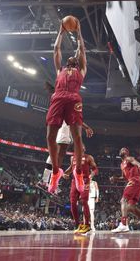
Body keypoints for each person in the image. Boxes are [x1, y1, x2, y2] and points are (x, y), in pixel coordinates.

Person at [46, 19, 87, 194]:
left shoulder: (82, 70)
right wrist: (61, 31)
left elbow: (82, 49)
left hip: (73, 99)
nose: (71, 57)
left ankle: (78, 173)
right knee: (50, 137)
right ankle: (56, 172)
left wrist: (79, 33)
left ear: (76, 61)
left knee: (77, 138)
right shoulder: (59, 70)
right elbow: (56, 49)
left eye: (74, 57)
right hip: (58, 97)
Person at [109, 147, 140, 233]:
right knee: (130, 207)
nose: (122, 150)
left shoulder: (129, 158)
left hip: (135, 181)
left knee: (123, 200)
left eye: (124, 150)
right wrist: (115, 178)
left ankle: (124, 224)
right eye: (121, 149)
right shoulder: (122, 165)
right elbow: (124, 178)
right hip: (137, 184)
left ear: (127, 153)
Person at [63, 147, 98, 235]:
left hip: (85, 181)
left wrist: (91, 175)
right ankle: (77, 224)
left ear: (84, 149)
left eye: (81, 146)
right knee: (72, 202)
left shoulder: (88, 157)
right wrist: (65, 173)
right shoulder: (72, 158)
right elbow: (71, 168)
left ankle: (87, 224)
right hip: (75, 181)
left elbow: (95, 169)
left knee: (84, 201)